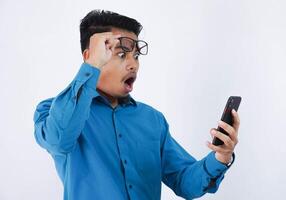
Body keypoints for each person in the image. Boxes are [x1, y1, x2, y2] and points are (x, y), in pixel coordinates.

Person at [33, 9, 240, 200]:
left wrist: (221, 156)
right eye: (122, 54)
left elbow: (184, 181)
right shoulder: (53, 111)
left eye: (136, 55)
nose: (134, 64)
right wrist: (91, 67)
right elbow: (58, 140)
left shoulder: (153, 120)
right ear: (91, 56)